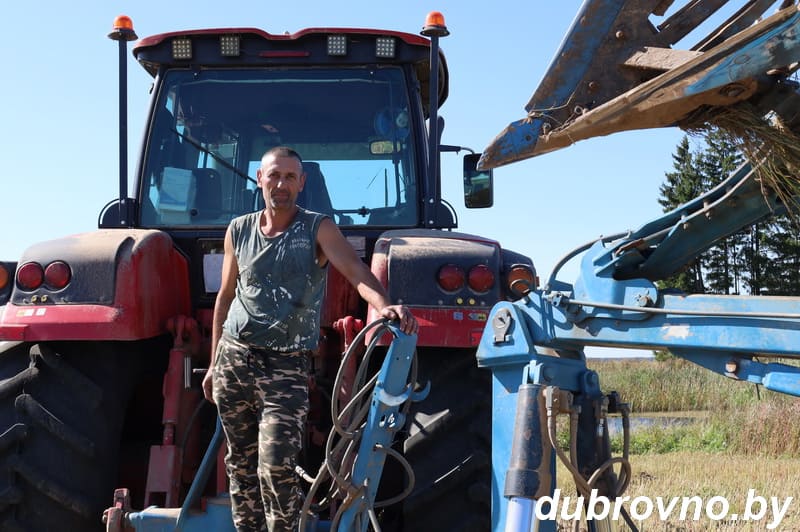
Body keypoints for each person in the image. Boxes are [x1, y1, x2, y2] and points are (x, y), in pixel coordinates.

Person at [202, 146, 417, 532]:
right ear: (260, 179)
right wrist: (214, 362)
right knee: (240, 466)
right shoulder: (239, 229)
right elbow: (226, 295)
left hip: (285, 365)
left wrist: (385, 305)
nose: (280, 184)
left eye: (289, 177)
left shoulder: (318, 228)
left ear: (302, 183)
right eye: (274, 175)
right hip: (235, 359)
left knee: (275, 466)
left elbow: (356, 272)